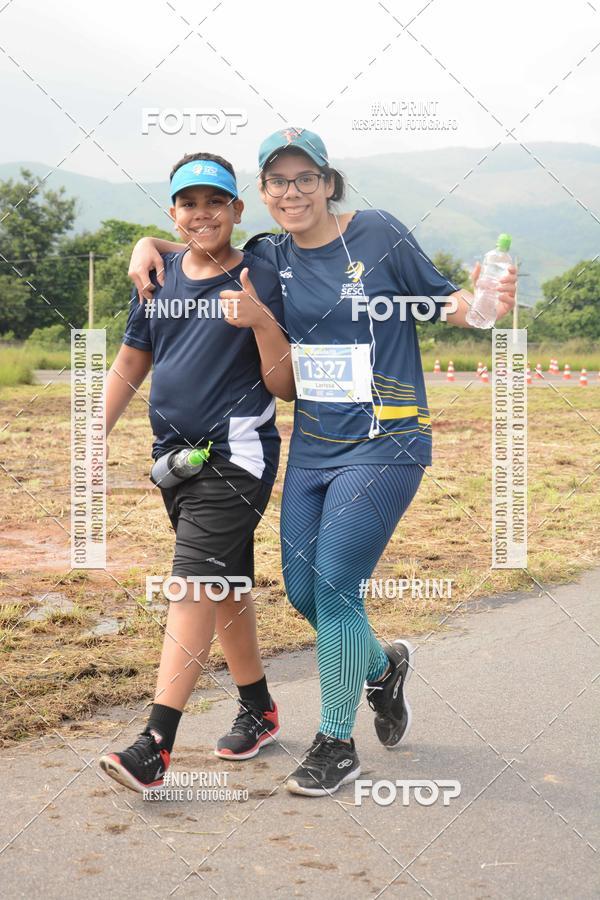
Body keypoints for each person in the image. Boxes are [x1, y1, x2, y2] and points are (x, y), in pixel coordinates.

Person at [127, 128, 517, 797]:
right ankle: (383, 665)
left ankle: (336, 743)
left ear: (329, 183)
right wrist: (147, 245)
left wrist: (485, 306)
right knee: (307, 594)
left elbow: (450, 303)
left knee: (336, 585)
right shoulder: (269, 255)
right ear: (264, 193)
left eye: (306, 178)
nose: (292, 192)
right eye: (278, 181)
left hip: (386, 440)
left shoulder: (378, 233)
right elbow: (198, 242)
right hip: (312, 445)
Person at [99, 152, 295, 793]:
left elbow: (283, 384)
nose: (202, 213)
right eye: (189, 203)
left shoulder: (262, 272)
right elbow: (130, 366)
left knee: (190, 586)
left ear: (238, 210)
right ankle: (259, 708)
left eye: (216, 202)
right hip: (173, 463)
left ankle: (155, 743)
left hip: (235, 457)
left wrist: (261, 321)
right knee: (225, 585)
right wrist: (88, 437)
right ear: (173, 212)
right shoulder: (155, 281)